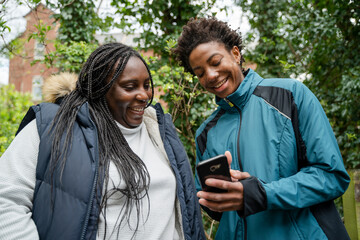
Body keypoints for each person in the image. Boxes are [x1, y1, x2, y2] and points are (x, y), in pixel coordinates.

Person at [0, 42, 205, 240]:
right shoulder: (53, 126)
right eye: (130, 86)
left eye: (147, 85)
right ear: (100, 89)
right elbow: (7, 201)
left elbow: (185, 211)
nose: (144, 95)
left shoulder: (159, 130)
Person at [172, 17, 350, 240]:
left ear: (235, 54)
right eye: (200, 72)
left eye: (215, 62)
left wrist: (260, 193)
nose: (210, 75)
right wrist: (216, 199)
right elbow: (214, 210)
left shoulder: (290, 95)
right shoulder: (205, 133)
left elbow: (331, 176)